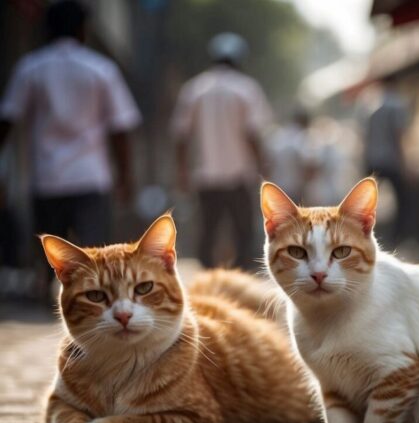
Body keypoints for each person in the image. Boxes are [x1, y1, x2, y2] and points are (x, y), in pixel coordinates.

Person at [0, 0, 141, 255]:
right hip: (91, 178)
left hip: (46, 179)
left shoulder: (31, 68)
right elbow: (120, 127)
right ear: (82, 30)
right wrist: (126, 177)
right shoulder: (101, 69)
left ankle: (47, 293)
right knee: (95, 255)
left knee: (51, 258)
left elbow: (7, 121)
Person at [171, 32, 272, 269]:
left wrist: (182, 171)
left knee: (207, 230)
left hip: (206, 176)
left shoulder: (194, 89)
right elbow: (253, 133)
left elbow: (181, 136)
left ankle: (209, 279)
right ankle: (241, 277)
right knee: (243, 232)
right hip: (239, 174)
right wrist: (262, 167)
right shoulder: (247, 88)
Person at [364, 75, 410, 247]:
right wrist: (405, 164)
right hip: (391, 160)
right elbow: (399, 136)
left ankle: (369, 233)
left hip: (372, 160)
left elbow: (366, 137)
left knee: (367, 202)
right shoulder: (397, 104)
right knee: (403, 201)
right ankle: (396, 238)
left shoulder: (371, 107)